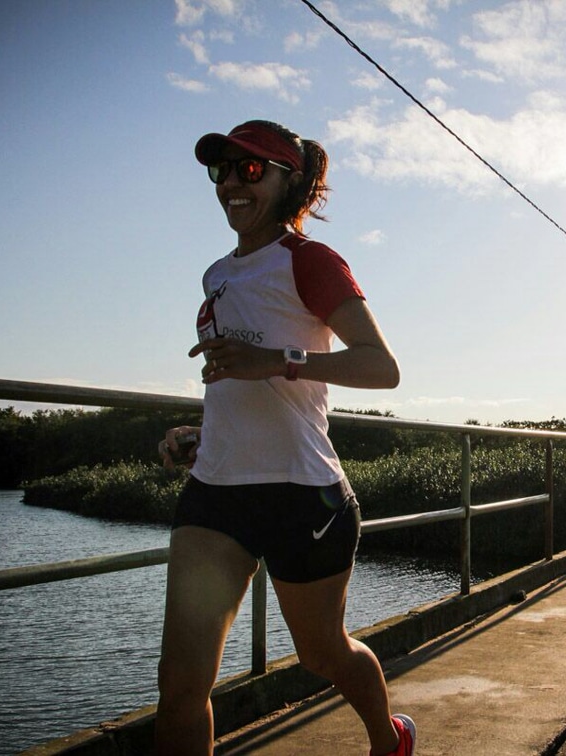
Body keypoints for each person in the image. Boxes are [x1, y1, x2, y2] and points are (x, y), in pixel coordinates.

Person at [155, 120, 413, 756]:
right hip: (216, 495)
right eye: (222, 171)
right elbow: (238, 380)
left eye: (250, 170)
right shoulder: (216, 274)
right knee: (181, 685)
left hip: (305, 498)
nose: (231, 185)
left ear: (289, 180)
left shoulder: (312, 261)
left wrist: (277, 360)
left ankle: (389, 738)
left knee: (323, 654)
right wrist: (203, 429)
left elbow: (381, 367)